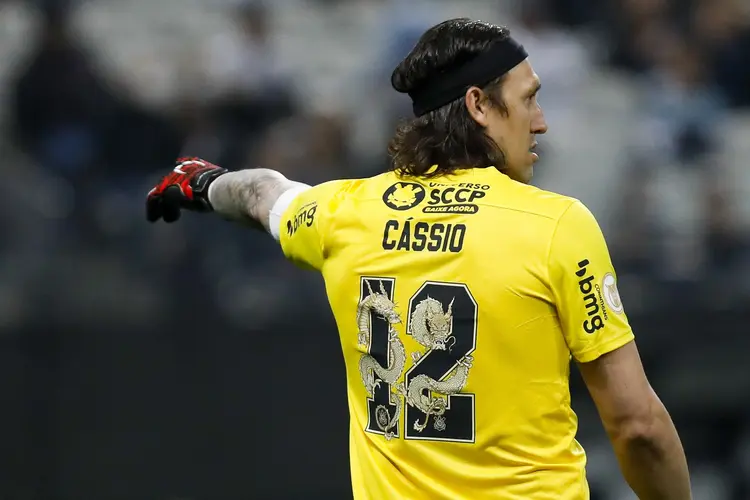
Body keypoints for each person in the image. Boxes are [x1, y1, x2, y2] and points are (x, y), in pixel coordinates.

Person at [146, 18, 691, 500]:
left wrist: (199, 183)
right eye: (529, 98)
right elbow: (636, 423)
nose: (541, 120)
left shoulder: (345, 212)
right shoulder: (554, 226)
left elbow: (262, 192)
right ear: (479, 104)